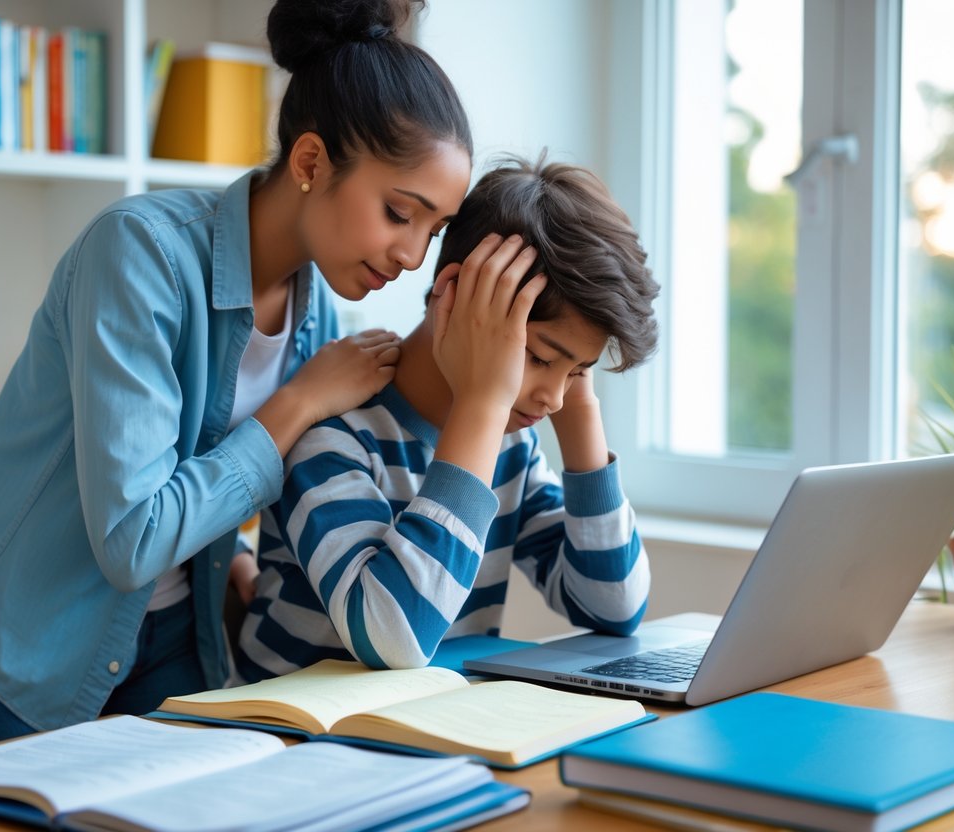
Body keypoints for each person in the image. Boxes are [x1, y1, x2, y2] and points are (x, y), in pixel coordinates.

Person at [0, 0, 472, 748]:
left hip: (180, 634)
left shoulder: (320, 317)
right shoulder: (140, 254)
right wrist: (298, 402)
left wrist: (239, 563)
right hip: (32, 635)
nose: (411, 255)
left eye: (432, 230)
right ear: (311, 162)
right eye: (398, 212)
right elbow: (133, 539)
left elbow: (194, 460)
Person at [235, 155, 660, 682]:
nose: (552, 396)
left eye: (580, 370)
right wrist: (482, 403)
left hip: (431, 738)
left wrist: (580, 414)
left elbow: (613, 607)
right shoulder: (335, 436)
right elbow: (393, 636)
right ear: (454, 299)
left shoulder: (509, 448)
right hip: (295, 745)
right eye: (542, 357)